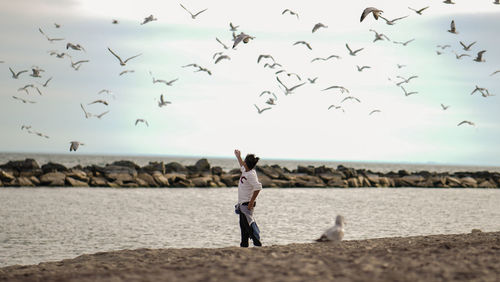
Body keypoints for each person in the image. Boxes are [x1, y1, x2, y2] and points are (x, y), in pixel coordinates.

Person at [234, 149, 262, 247]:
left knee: (250, 227)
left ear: (247, 163)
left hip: (247, 205)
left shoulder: (251, 175)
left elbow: (258, 187)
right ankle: (244, 245)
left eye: (245, 161)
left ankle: (258, 245)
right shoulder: (246, 170)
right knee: (243, 228)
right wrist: (238, 156)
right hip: (242, 205)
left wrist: (251, 202)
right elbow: (241, 165)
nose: (243, 163)